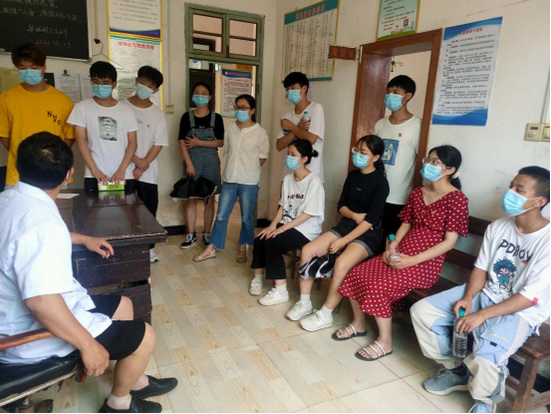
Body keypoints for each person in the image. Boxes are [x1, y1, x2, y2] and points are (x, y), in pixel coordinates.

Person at [0, 132, 178, 414]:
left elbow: (25, 239)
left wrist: (81, 238)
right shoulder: (41, 224)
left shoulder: (10, 199)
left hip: (18, 314)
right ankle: (118, 404)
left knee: (124, 304)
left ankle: (135, 381)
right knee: (146, 335)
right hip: (28, 336)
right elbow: (41, 301)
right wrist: (88, 346)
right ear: (69, 175)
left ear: (18, 166)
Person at [411, 167, 550, 414]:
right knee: (422, 312)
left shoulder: (547, 240)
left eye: (519, 190)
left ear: (539, 201)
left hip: (520, 311)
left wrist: (482, 315)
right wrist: (469, 297)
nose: (510, 193)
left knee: (487, 354)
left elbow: (529, 298)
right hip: (486, 293)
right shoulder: (499, 226)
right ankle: (457, 371)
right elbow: (481, 268)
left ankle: (485, 401)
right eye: (511, 186)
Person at [337, 146, 469, 362]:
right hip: (402, 252)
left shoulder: (457, 199)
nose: (428, 165)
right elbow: (406, 224)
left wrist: (412, 260)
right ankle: (358, 324)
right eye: (428, 160)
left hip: (425, 263)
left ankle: (385, 342)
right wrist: (393, 246)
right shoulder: (418, 192)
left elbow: (449, 242)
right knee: (357, 273)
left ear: (450, 169)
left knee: (379, 286)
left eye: (435, 162)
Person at [288, 135, 390, 332]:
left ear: (376, 157)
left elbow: (370, 221)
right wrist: (354, 216)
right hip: (347, 225)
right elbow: (341, 206)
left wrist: (344, 241)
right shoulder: (353, 176)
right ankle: (304, 302)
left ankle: (326, 314)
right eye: (357, 150)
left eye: (363, 152)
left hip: (368, 234)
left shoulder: (381, 183)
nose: (358, 155)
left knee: (342, 263)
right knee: (308, 250)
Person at [194, 94, 270, 263]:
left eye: (244, 108)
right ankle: (212, 247)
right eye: (237, 107)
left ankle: (243, 246)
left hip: (249, 181)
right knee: (221, 215)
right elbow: (227, 151)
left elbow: (262, 157)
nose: (240, 111)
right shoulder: (230, 129)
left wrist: (247, 168)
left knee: (246, 218)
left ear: (252, 110)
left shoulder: (260, 133)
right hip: (229, 179)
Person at [250, 139, 325, 306]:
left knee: (273, 243)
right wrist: (272, 225)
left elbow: (307, 214)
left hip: (306, 228)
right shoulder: (288, 179)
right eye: (288, 154)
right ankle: (257, 278)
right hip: (288, 223)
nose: (289, 157)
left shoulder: (314, 182)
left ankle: (281, 291)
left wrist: (282, 229)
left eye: (293, 154)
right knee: (261, 238)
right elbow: (283, 207)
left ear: (304, 159)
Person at [0, 43, 75, 190]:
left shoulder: (63, 100)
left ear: (43, 67)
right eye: (23, 68)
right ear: (17, 69)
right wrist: (27, 157)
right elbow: (4, 135)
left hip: (55, 175)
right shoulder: (6, 98)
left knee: (60, 206)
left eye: (33, 68)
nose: (29, 72)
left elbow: (70, 136)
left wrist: (53, 158)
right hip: (18, 176)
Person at [68, 62, 138, 194]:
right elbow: (81, 141)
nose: (100, 86)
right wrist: (95, 170)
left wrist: (122, 169)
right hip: (94, 175)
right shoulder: (82, 108)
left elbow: (132, 143)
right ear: (91, 82)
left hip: (124, 175)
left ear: (114, 84)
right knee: (94, 208)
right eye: (96, 82)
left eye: (105, 83)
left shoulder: (126, 110)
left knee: (127, 207)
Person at [123, 66, 169, 264]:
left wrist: (143, 165)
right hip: (124, 169)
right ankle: (126, 248)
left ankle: (148, 249)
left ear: (156, 90)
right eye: (142, 82)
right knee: (124, 211)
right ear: (136, 81)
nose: (144, 88)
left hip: (148, 173)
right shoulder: (122, 107)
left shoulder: (157, 114)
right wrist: (136, 161)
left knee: (148, 211)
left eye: (149, 86)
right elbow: (120, 140)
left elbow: (159, 143)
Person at [178, 82, 225, 249]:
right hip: (192, 162)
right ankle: (191, 234)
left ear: (210, 97)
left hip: (211, 163)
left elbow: (220, 142)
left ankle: (207, 233)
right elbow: (181, 142)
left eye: (204, 93)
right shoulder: (186, 117)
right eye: (197, 92)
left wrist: (199, 142)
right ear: (192, 96)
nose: (200, 96)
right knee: (190, 199)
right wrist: (189, 164)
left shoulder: (216, 118)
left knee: (209, 199)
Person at [375, 75, 422, 239]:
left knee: (390, 239)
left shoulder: (418, 126)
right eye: (388, 92)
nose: (390, 96)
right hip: (377, 192)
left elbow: (420, 162)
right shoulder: (380, 124)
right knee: (372, 237)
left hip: (399, 196)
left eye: (395, 92)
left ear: (407, 96)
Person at [276, 72, 326, 181]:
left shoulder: (316, 108)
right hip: (289, 174)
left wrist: (292, 127)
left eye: (293, 88)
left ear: (304, 89)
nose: (289, 92)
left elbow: (311, 139)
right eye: (287, 90)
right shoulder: (286, 116)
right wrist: (297, 128)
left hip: (311, 173)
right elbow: (279, 145)